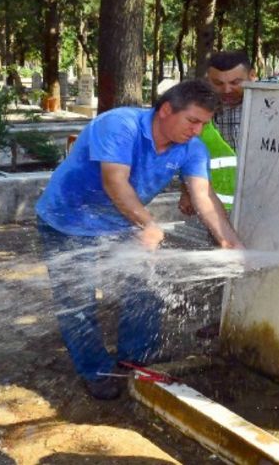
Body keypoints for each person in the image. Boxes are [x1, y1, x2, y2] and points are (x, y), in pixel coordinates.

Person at [35, 79, 244, 400]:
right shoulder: (120, 125)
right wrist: (147, 223)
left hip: (121, 221)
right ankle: (96, 370)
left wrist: (228, 241)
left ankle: (135, 360)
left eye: (204, 124)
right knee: (77, 302)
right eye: (192, 121)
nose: (198, 131)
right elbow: (114, 182)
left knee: (144, 289)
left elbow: (204, 195)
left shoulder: (192, 148)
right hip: (68, 220)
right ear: (165, 110)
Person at [179, 51, 257, 214]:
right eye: (218, 83)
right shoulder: (200, 112)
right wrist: (186, 191)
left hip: (259, 203)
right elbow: (188, 152)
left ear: (252, 76)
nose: (227, 89)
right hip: (215, 206)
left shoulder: (271, 109)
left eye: (236, 82)